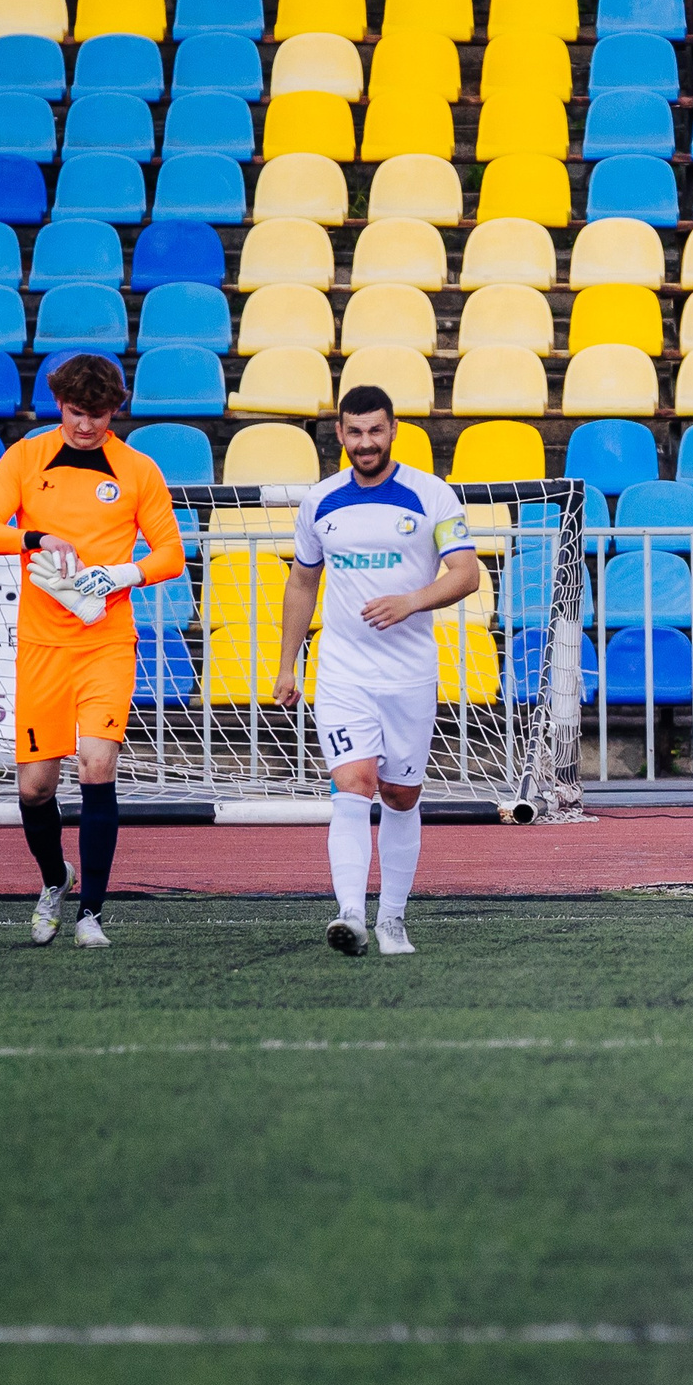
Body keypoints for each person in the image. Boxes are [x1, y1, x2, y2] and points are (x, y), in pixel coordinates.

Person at [0, 355, 186, 948]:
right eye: (76, 412)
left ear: (115, 410)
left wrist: (123, 575)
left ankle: (90, 912)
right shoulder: (26, 458)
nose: (86, 425)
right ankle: (53, 878)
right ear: (59, 405)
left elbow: (170, 553)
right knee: (35, 788)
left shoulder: (137, 469)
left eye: (98, 414)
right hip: (41, 646)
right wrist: (35, 537)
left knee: (96, 763)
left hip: (106, 641)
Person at [273, 389, 481, 958]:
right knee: (353, 784)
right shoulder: (320, 501)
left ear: (394, 431)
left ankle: (392, 919)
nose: (365, 443)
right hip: (343, 671)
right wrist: (287, 664)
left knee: (400, 794)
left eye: (376, 431)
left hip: (410, 673)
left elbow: (467, 574)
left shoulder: (430, 495)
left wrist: (410, 601)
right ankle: (350, 915)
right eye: (355, 432)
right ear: (340, 434)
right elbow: (302, 582)